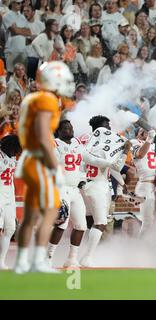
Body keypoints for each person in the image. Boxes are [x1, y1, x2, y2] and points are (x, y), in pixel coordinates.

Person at [14, 61, 75, 274]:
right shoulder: (47, 100)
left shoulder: (32, 98)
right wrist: (54, 167)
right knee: (50, 213)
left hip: (29, 158)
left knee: (30, 217)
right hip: (40, 160)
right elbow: (41, 134)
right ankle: (38, 261)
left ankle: (22, 261)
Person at [79, 115, 131, 267]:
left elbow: (109, 167)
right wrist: (124, 152)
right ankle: (87, 257)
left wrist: (121, 182)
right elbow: (116, 166)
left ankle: (78, 254)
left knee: (88, 223)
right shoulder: (102, 146)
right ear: (100, 127)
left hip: (85, 185)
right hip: (98, 186)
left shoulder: (88, 142)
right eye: (107, 125)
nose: (109, 128)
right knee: (101, 223)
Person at [47, 120, 86, 268]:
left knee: (81, 225)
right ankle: (48, 258)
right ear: (59, 131)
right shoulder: (54, 144)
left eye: (70, 128)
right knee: (61, 223)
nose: (69, 130)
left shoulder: (77, 144)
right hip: (61, 188)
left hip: (75, 189)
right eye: (65, 128)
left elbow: (81, 166)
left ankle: (72, 258)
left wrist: (82, 180)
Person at [130, 128, 156, 238]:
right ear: (138, 133)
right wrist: (149, 139)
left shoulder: (155, 146)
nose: (146, 131)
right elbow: (140, 154)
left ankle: (155, 248)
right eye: (143, 130)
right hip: (146, 185)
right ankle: (139, 248)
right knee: (148, 222)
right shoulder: (134, 142)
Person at [0, 134, 21, 270]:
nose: (17, 152)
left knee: (10, 228)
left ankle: (1, 261)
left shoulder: (12, 157)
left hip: (9, 197)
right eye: (16, 149)